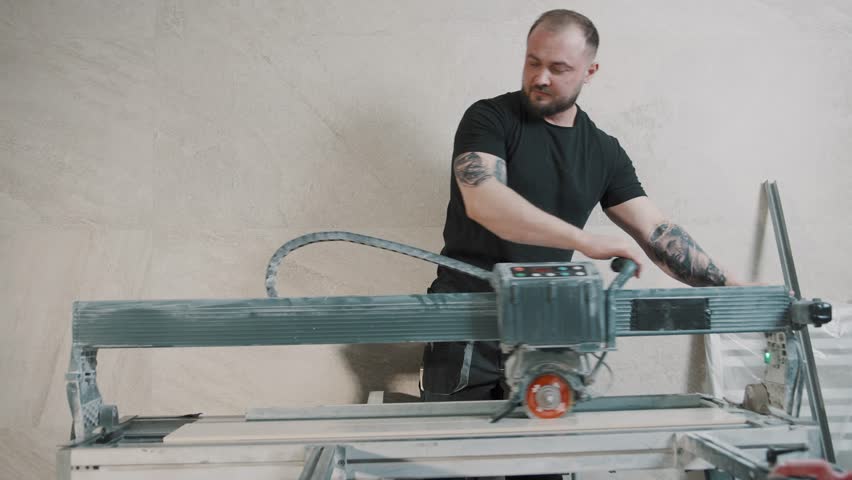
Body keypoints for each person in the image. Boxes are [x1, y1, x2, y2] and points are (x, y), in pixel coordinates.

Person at [421, 11, 745, 477]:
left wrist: (737, 286)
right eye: (532, 62)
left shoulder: (603, 151)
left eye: (558, 68)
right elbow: (484, 200)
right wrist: (585, 241)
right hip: (464, 325)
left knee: (546, 465)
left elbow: (658, 233)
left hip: (547, 334)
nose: (540, 77)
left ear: (590, 72)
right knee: (452, 465)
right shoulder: (489, 117)